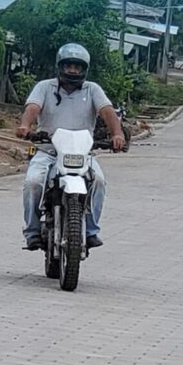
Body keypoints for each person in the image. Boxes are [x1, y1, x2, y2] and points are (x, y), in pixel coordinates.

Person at [15, 43, 125, 251]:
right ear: (60, 66)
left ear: (84, 69)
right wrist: (25, 125)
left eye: (77, 66)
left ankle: (90, 231)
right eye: (68, 66)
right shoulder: (44, 87)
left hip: (82, 154)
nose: (73, 70)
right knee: (33, 183)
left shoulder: (92, 89)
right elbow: (33, 107)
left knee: (99, 182)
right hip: (48, 152)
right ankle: (32, 231)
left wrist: (117, 134)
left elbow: (107, 111)